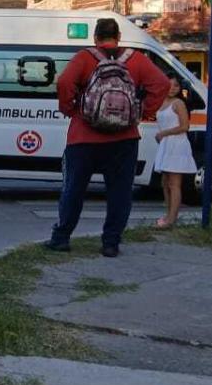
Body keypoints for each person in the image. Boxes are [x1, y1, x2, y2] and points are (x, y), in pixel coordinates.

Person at [45, 18, 170, 258]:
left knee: (74, 189)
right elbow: (162, 84)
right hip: (124, 140)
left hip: (83, 137)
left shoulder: (84, 58)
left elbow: (64, 82)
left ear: (95, 38)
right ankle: (110, 243)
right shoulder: (136, 60)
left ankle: (61, 238)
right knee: (120, 193)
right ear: (119, 36)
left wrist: (71, 109)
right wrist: (143, 112)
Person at [153, 75, 196, 229]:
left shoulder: (179, 104)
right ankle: (168, 214)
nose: (172, 88)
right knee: (165, 182)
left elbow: (185, 127)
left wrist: (164, 133)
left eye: (176, 86)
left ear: (180, 88)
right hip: (166, 145)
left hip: (177, 145)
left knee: (174, 184)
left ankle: (171, 219)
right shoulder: (162, 102)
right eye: (169, 85)